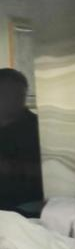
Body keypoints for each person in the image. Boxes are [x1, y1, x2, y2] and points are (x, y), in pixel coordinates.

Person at [0, 68, 44, 215]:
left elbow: (55, 171)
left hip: (27, 207)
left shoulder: (38, 128)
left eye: (19, 95)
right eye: (6, 94)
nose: (13, 100)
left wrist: (12, 167)